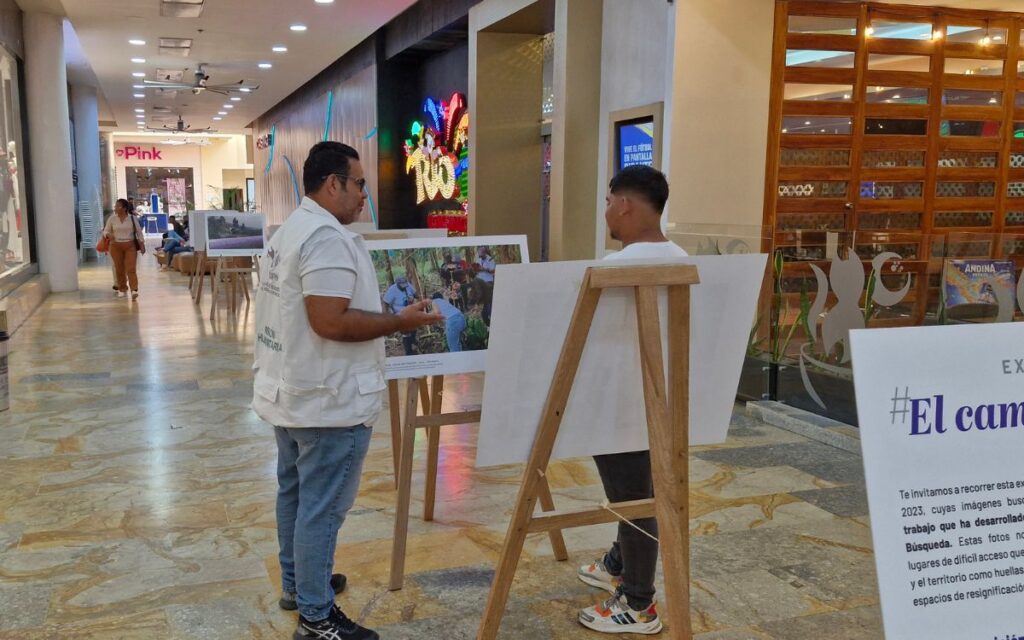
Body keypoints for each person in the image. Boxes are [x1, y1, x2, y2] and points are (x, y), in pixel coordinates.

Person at [252, 141, 442, 640]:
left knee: (295, 494)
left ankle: (300, 585)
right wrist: (397, 321)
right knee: (321, 507)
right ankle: (315, 619)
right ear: (333, 183)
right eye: (359, 184)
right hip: (328, 401)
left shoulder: (291, 230)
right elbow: (329, 321)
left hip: (295, 393)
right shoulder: (324, 238)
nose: (364, 196)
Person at [576, 165, 687, 636]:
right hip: (666, 405)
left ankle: (639, 603)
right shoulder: (684, 258)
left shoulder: (611, 269)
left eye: (608, 202)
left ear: (624, 203)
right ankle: (619, 562)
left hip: (618, 403)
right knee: (638, 488)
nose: (606, 212)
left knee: (634, 498)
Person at [102, 198, 146, 300]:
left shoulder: (132, 218)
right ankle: (122, 288)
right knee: (119, 268)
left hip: (129, 245)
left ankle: (134, 289)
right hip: (115, 245)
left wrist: (142, 244)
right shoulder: (112, 219)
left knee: (131, 268)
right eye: (115, 206)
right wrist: (108, 234)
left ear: (125, 208)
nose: (115, 208)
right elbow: (105, 231)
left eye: (118, 206)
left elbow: (139, 232)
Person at [382, 276, 419, 355]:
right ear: (397, 284)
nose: (404, 287)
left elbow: (415, 294)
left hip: (410, 310)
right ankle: (408, 351)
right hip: (399, 313)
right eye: (402, 286)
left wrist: (415, 297)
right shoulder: (392, 290)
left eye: (405, 285)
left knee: (414, 327)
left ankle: (412, 340)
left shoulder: (408, 285)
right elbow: (385, 303)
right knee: (406, 332)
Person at [473, 247, 496, 325]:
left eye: (481, 255)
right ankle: (489, 324)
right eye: (479, 255)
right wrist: (475, 269)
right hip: (480, 282)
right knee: (485, 305)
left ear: (485, 253)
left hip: (488, 282)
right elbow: (477, 270)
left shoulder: (490, 259)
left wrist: (484, 269)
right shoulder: (478, 259)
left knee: (488, 304)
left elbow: (493, 271)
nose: (480, 257)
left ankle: (492, 322)